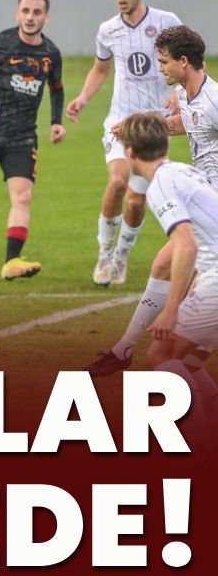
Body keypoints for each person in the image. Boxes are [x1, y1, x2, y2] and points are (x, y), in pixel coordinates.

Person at [85, 25, 218, 376]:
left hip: (210, 210)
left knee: (180, 319)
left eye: (164, 62)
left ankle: (179, 350)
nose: (159, 69)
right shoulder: (186, 94)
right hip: (207, 202)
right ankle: (127, 349)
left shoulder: (213, 100)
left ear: (183, 61)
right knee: (162, 266)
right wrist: (137, 126)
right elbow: (186, 124)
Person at [66, 0, 181, 286]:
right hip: (120, 120)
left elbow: (187, 61)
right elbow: (100, 69)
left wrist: (179, 90)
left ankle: (122, 256)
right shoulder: (108, 30)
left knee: (135, 199)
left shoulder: (166, 22)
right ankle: (104, 253)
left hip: (156, 125)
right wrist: (83, 98)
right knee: (118, 181)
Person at [114, 113, 218, 449]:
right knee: (188, 359)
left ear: (131, 153)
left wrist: (171, 310)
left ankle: (202, 453)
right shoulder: (183, 171)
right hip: (211, 275)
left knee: (161, 354)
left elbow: (185, 244)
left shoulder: (160, 184)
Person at [0, 0, 65, 280]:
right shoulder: (1, 43)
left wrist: (56, 122)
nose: (30, 17)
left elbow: (56, 89)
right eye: (26, 11)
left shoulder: (51, 54)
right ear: (17, 14)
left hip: (22, 138)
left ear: (46, 17)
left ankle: (11, 262)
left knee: (23, 196)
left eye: (37, 12)